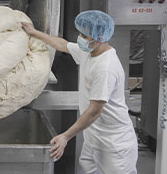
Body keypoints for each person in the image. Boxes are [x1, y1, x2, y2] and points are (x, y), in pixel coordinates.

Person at [22, 10, 137, 174]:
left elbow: (94, 111)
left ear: (98, 38)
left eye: (84, 35)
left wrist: (65, 137)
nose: (80, 38)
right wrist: (34, 33)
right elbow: (62, 45)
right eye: (81, 34)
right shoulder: (89, 51)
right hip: (93, 138)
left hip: (114, 145)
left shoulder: (106, 68)